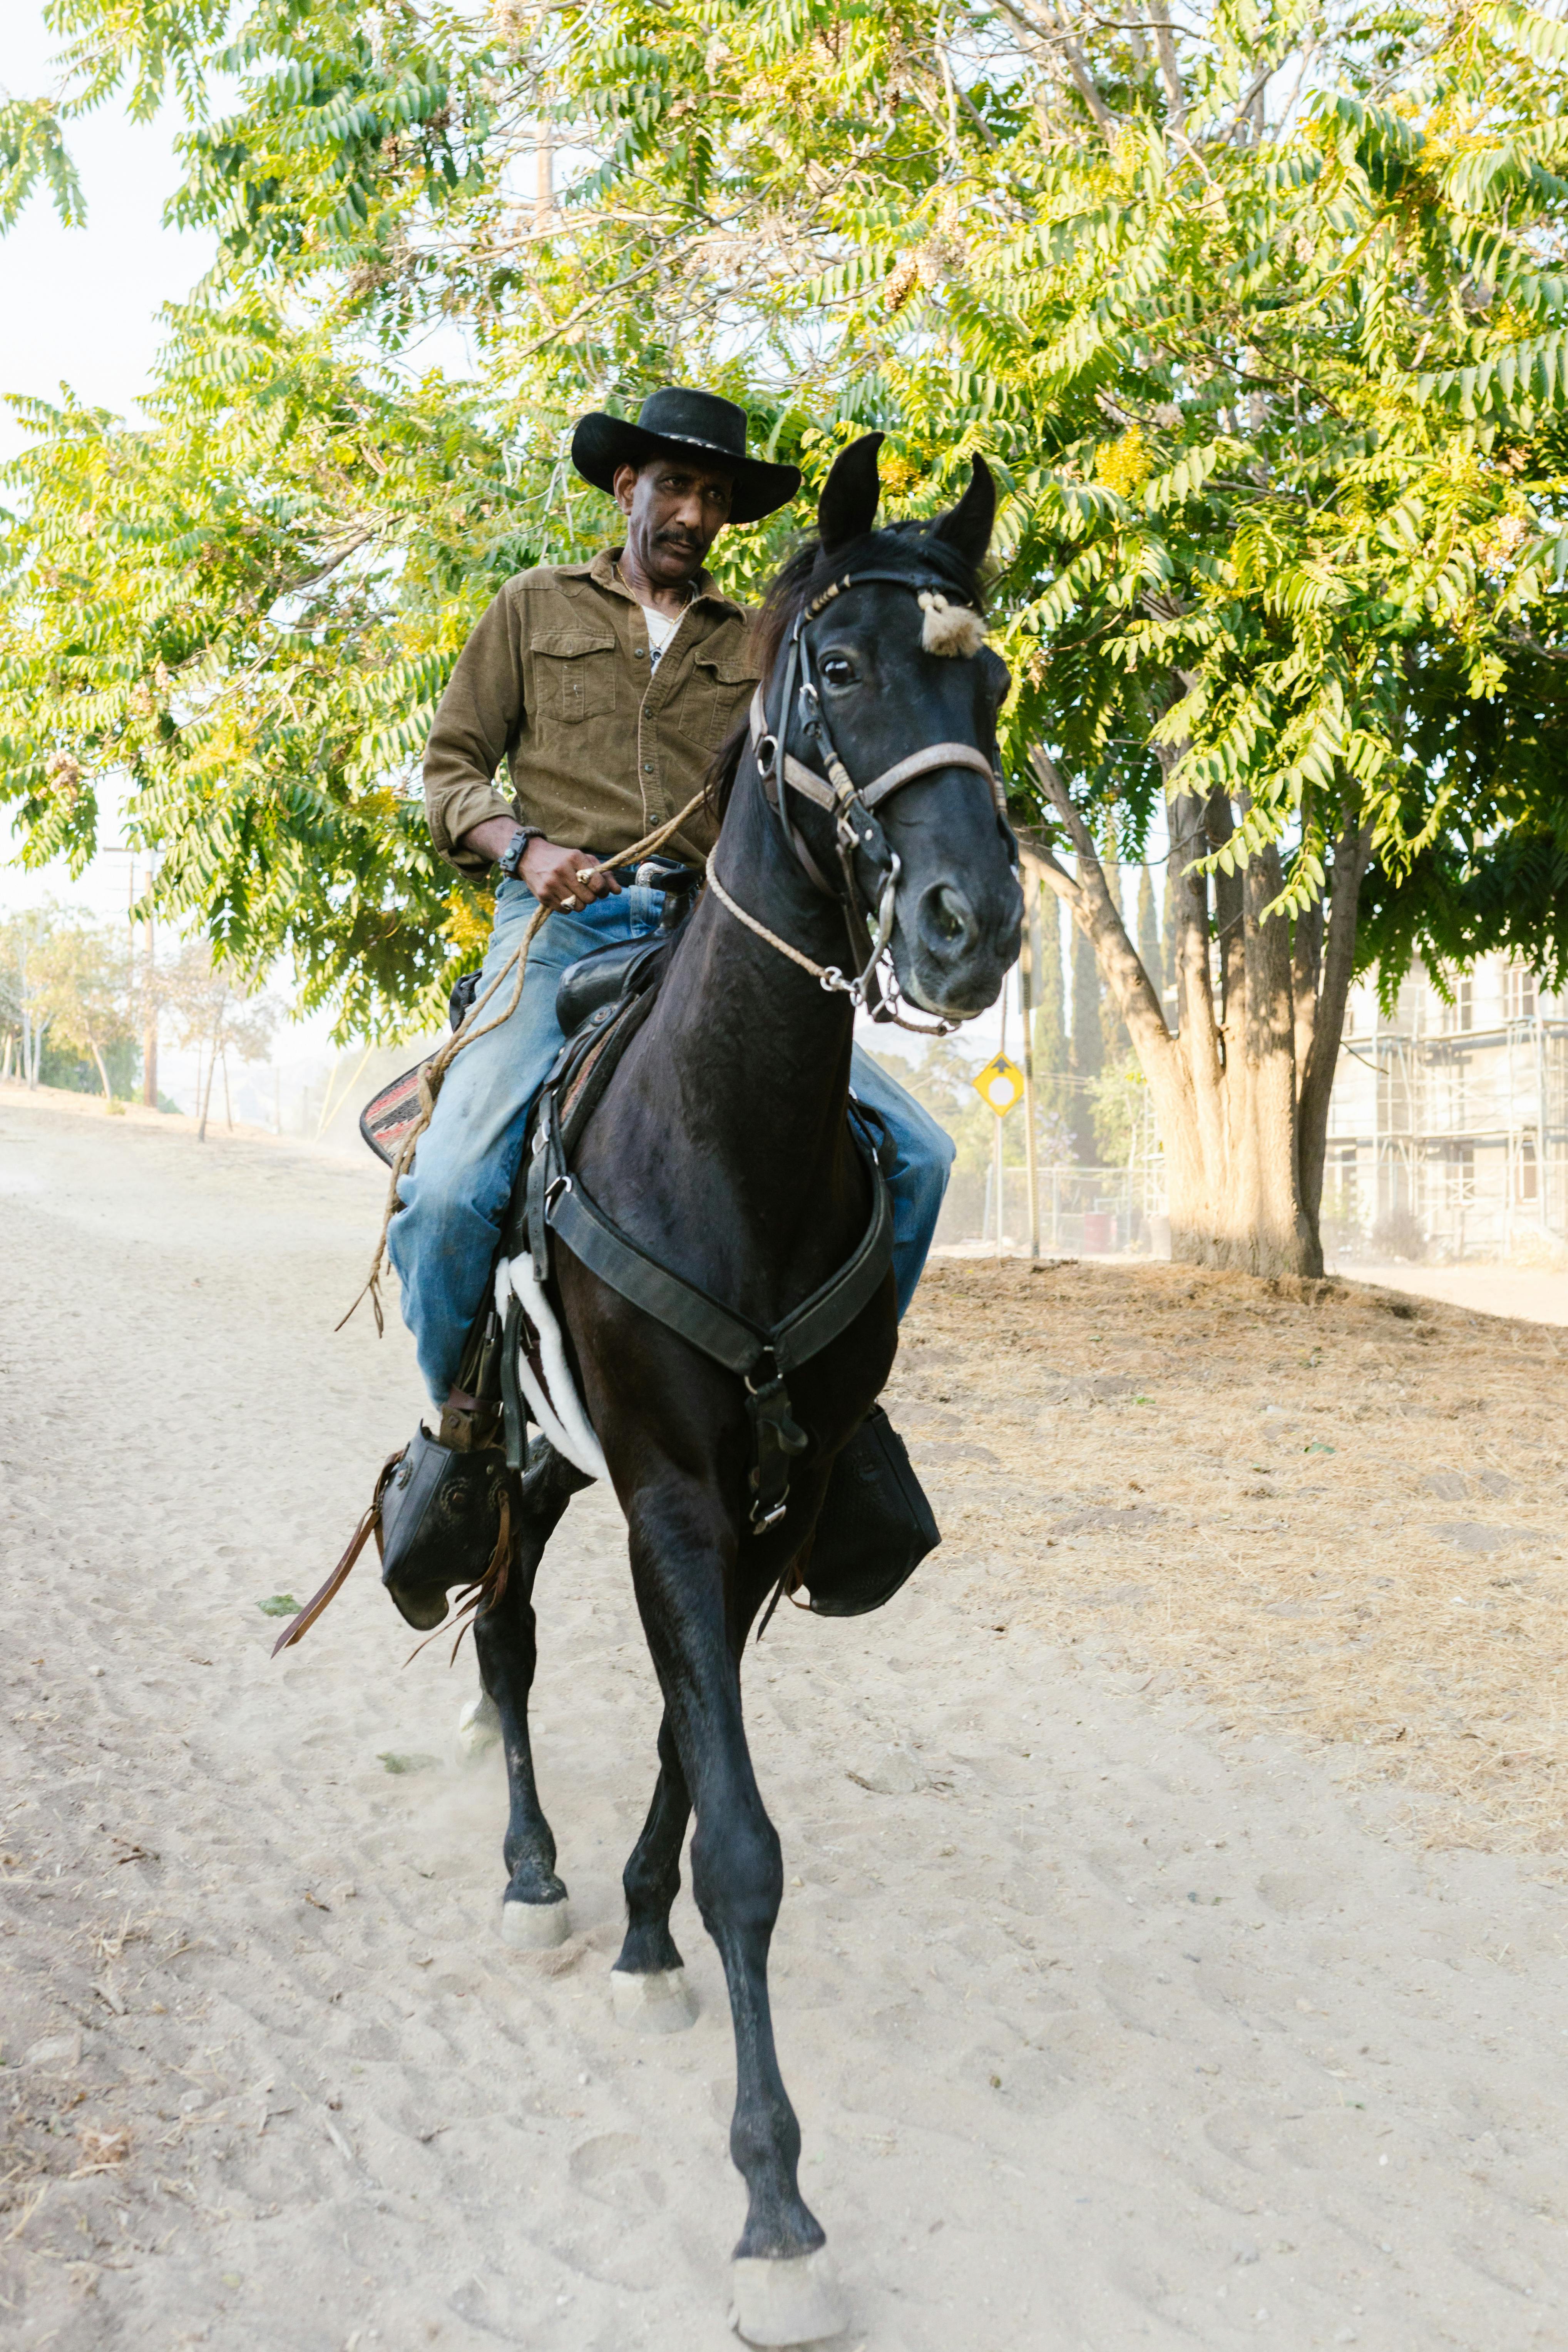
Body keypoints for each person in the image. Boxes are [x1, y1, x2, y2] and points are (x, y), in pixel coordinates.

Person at [387, 386, 954, 1477]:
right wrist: (525, 851)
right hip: (554, 927)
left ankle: (842, 1405)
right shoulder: (531, 607)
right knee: (455, 1184)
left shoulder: (755, 647)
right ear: (626, 487)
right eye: (677, 486)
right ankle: (457, 1421)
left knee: (921, 1157)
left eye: (716, 497)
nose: (695, 513)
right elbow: (450, 771)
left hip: (708, 937)